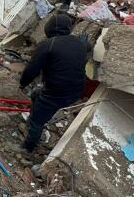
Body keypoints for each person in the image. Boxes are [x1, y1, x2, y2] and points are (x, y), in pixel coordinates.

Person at [19, 14, 90, 153]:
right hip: (77, 91)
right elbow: (87, 46)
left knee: (38, 121)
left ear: (49, 28)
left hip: (56, 93)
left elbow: (31, 70)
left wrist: (22, 83)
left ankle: (27, 148)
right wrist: (83, 43)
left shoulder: (48, 44)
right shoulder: (80, 43)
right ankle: (33, 119)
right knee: (35, 94)